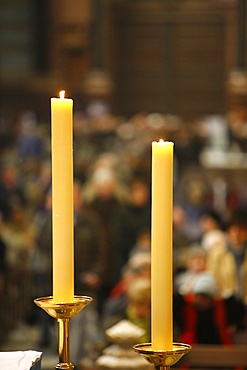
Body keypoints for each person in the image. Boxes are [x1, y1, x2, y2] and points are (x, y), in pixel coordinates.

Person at [174, 273, 244, 345]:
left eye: (205, 297)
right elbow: (175, 304)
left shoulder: (221, 307)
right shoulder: (187, 307)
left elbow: (240, 310)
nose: (202, 300)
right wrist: (184, 291)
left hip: (219, 348)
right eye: (200, 296)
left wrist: (225, 293)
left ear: (212, 299)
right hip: (192, 348)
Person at [207, 207, 247, 306]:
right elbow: (213, 279)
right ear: (228, 230)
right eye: (233, 229)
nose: (237, 234)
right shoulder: (217, 253)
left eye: (241, 229)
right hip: (225, 305)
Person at [102, 277, 151, 344]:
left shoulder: (159, 317)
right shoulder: (116, 311)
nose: (139, 310)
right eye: (135, 305)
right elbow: (106, 339)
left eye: (144, 305)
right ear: (129, 301)